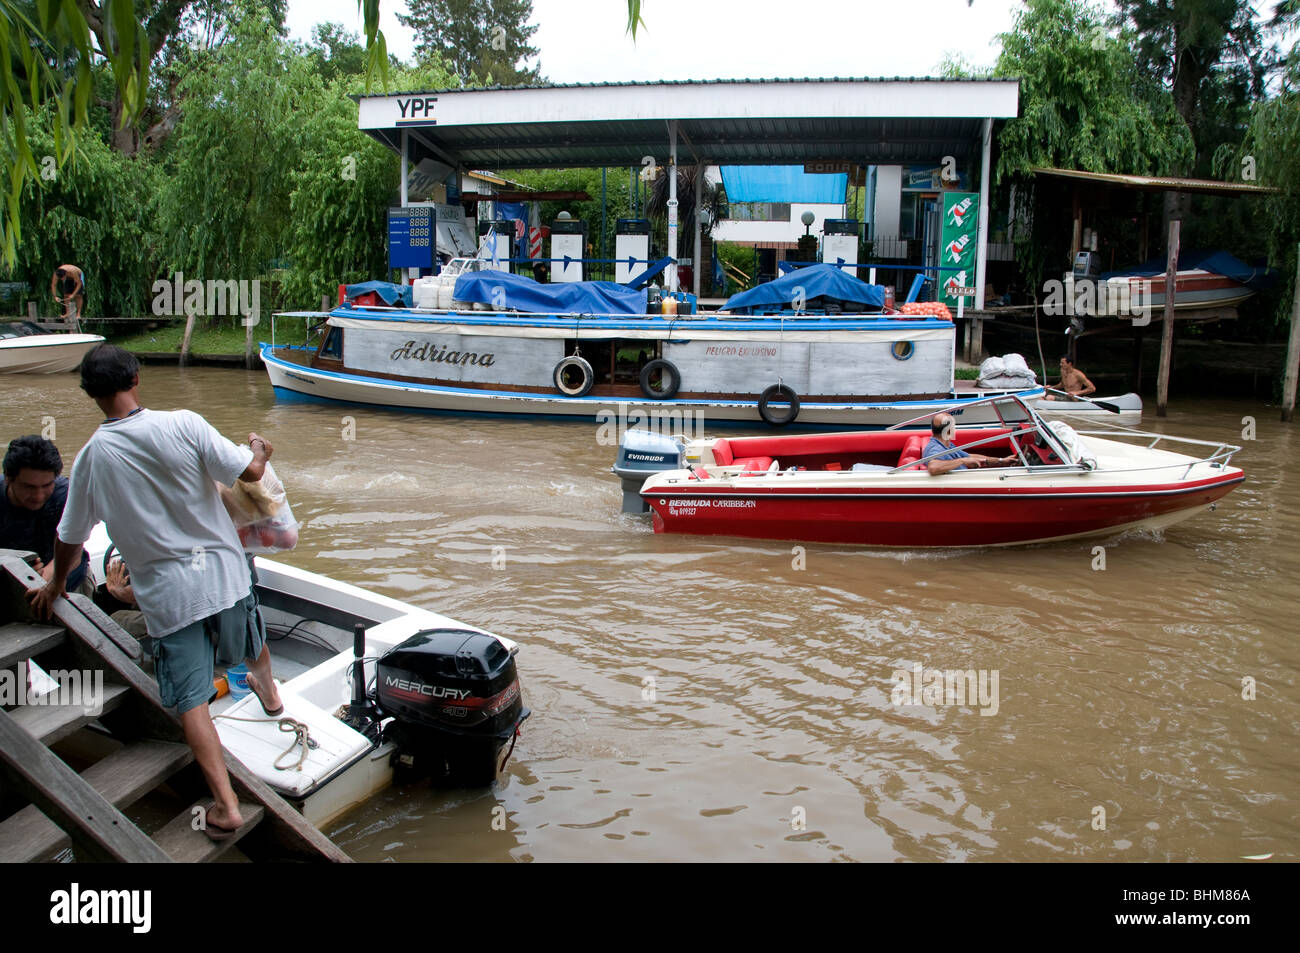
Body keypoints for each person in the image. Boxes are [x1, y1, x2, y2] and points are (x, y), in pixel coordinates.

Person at [28, 343, 280, 841]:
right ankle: (271, 696)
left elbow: (70, 537)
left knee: (192, 703)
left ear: (89, 395)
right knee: (253, 640)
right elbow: (250, 474)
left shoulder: (90, 461)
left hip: (170, 600)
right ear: (136, 378)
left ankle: (227, 806)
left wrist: (56, 584)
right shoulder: (184, 422)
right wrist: (258, 450)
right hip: (225, 576)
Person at [1, 436, 92, 596]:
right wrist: (19, 569)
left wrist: (44, 576)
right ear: (8, 478)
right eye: (29, 487)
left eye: (46, 485)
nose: (38, 496)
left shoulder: (66, 496)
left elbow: (74, 549)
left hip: (64, 575)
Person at [924, 413, 1018, 475]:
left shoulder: (946, 444)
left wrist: (1001, 461)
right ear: (948, 431)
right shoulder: (935, 448)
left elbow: (969, 456)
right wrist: (962, 461)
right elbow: (933, 467)